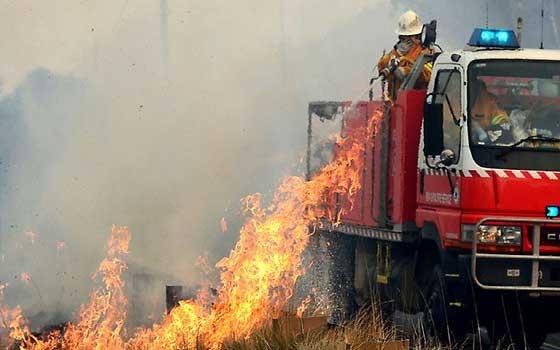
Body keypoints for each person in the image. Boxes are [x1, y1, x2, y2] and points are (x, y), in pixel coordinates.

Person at [377, 10, 433, 99]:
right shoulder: (397, 52)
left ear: (415, 36)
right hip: (395, 104)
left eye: (406, 37)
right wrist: (397, 55)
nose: (403, 40)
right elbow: (381, 66)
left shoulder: (426, 52)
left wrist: (406, 72)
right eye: (402, 37)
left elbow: (428, 75)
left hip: (415, 103)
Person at [470, 79, 512, 144]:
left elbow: (501, 120)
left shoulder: (489, 101)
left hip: (484, 146)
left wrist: (490, 132)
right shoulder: (453, 99)